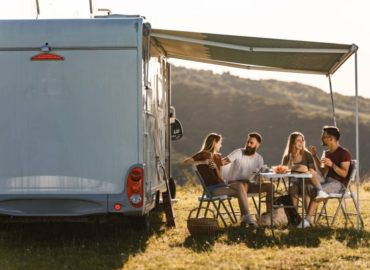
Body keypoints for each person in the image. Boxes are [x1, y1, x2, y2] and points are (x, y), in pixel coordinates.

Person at [182, 133, 258, 227]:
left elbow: (220, 176)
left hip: (222, 185)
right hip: (212, 189)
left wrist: (216, 167)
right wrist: (202, 162)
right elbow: (185, 163)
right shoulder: (202, 155)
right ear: (214, 143)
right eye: (219, 143)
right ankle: (246, 217)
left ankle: (246, 217)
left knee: (240, 186)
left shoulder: (217, 157)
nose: (220, 145)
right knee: (241, 191)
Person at [297, 126, 352, 228]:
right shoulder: (327, 153)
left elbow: (344, 174)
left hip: (339, 184)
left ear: (330, 138)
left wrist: (332, 165)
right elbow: (323, 170)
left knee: (317, 191)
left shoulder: (344, 153)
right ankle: (307, 220)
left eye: (323, 136)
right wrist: (314, 156)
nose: (321, 138)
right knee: (314, 189)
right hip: (328, 180)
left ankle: (307, 220)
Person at [222, 133, 275, 213]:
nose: (248, 144)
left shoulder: (259, 158)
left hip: (247, 183)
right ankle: (245, 216)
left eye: (251, 143)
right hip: (233, 184)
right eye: (248, 142)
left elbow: (259, 176)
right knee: (244, 185)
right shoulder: (238, 153)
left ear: (257, 145)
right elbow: (222, 162)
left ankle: (269, 214)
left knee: (271, 186)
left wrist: (260, 179)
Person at [281, 132, 328, 217]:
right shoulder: (287, 156)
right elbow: (284, 172)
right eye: (298, 140)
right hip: (293, 181)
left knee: (304, 187)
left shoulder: (307, 155)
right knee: (293, 188)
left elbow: (312, 171)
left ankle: (307, 218)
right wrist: (287, 169)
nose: (301, 142)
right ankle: (295, 218)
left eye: (302, 140)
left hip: (306, 181)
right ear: (292, 142)